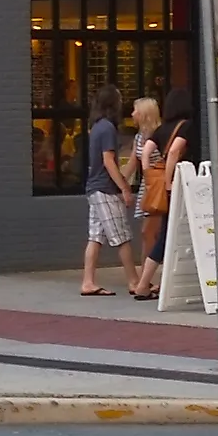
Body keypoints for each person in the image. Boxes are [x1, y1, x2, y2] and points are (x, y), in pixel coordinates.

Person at [134, 87, 196, 299]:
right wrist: (169, 182)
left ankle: (159, 282)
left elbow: (146, 151)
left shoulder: (161, 129)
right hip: (180, 186)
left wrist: (148, 175)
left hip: (167, 187)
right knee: (168, 236)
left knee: (168, 234)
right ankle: (144, 285)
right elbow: (175, 151)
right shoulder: (186, 126)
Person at [79, 84, 138, 296]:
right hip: (105, 189)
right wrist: (124, 188)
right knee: (122, 237)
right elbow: (109, 161)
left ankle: (88, 282)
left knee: (95, 236)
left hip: (94, 188)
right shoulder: (108, 128)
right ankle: (134, 282)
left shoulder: (96, 127)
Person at [123, 96, 161, 295]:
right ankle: (145, 278)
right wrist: (121, 182)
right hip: (146, 188)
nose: (132, 114)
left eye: (135, 110)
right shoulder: (139, 137)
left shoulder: (159, 135)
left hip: (157, 188)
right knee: (147, 234)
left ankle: (144, 279)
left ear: (144, 114)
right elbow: (132, 162)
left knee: (148, 232)